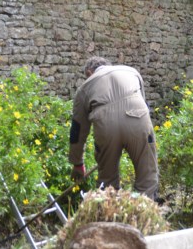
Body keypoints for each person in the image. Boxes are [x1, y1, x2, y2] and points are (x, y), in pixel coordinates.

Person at [68, 56, 159, 199]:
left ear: (90, 73)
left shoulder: (84, 88)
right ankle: (145, 211)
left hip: (106, 126)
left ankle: (110, 216)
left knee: (108, 184)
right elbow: (142, 102)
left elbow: (77, 131)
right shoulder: (131, 72)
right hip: (139, 119)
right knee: (147, 176)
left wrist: (77, 163)